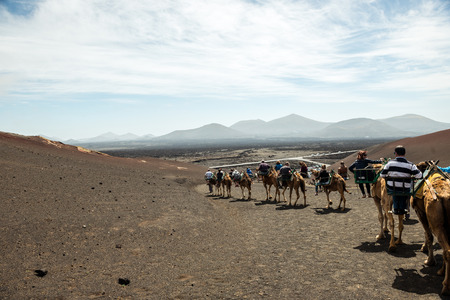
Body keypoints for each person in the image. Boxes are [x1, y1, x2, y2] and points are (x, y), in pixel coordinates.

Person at [380, 145, 422, 215]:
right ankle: (402, 208)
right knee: (403, 191)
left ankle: (396, 208)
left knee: (395, 190)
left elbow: (382, 175)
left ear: (395, 153)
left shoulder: (389, 163)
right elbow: (419, 175)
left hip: (392, 188)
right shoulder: (410, 165)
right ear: (405, 154)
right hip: (405, 188)